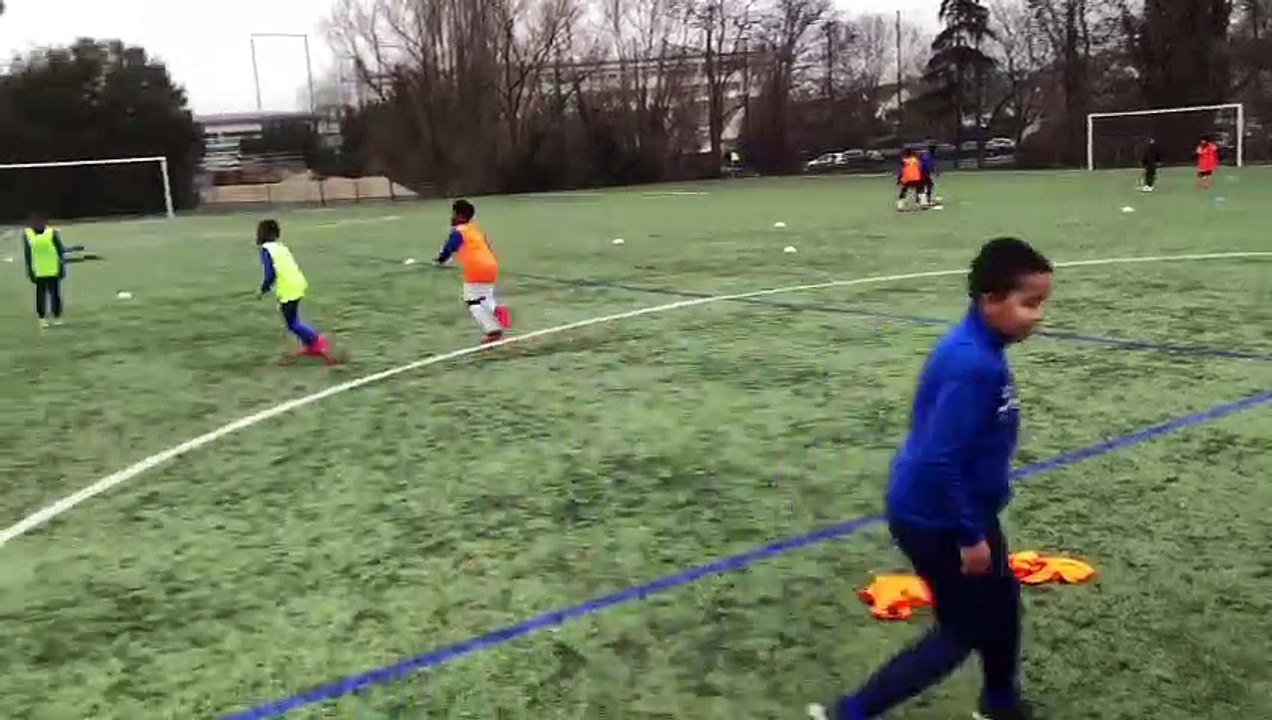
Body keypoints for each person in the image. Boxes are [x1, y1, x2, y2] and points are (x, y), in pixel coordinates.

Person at [807, 237, 1055, 720]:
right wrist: (969, 535)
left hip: (963, 510)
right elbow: (939, 461)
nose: (1037, 316)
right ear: (989, 300)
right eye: (1029, 303)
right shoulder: (972, 365)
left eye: (1041, 303)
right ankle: (851, 713)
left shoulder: (981, 347)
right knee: (959, 632)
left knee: (1001, 607)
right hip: (938, 519)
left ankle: (999, 703)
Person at [255, 219, 334, 364]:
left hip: (288, 288)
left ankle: (317, 342)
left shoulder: (267, 250)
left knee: (292, 323)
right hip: (297, 283)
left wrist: (263, 289)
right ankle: (311, 346)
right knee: (294, 320)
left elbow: (270, 274)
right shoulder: (280, 247)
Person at [436, 199, 509, 345]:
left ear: (461, 217)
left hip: (476, 269)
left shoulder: (458, 231)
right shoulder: (475, 230)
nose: (452, 217)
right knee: (485, 297)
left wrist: (439, 261)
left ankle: (493, 329)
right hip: (491, 266)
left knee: (472, 301)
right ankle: (497, 312)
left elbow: (449, 248)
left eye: (454, 214)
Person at [23, 214, 67, 328]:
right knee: (53, 294)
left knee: (42, 295)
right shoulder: (51, 233)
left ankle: (43, 319)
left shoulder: (28, 235)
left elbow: (27, 255)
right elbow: (60, 250)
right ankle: (55, 317)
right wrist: (62, 267)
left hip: (39, 270)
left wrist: (29, 270)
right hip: (52, 269)